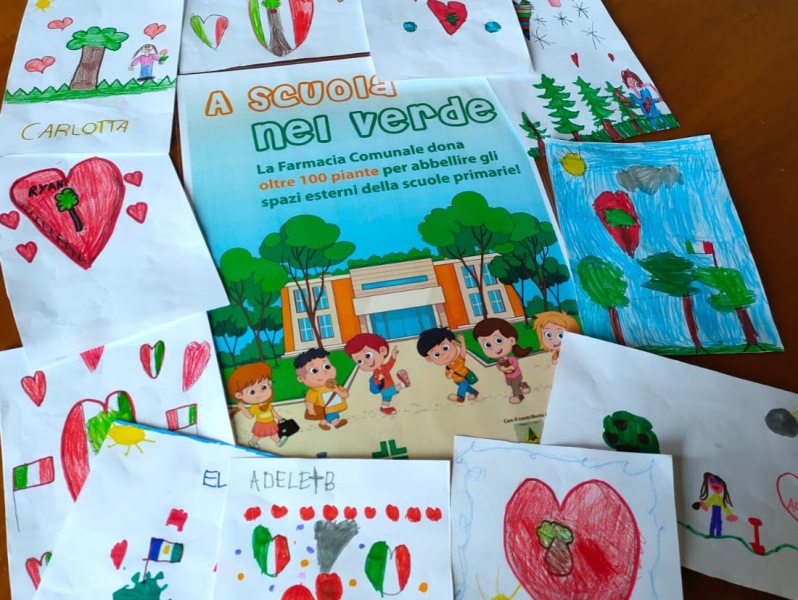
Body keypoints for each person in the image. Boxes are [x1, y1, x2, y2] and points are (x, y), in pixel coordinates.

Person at [344, 333, 410, 415]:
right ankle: (403, 384)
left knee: (387, 398)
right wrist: (379, 379)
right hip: (385, 389)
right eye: (360, 361)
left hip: (389, 386)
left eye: (368, 355)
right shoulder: (376, 372)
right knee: (393, 390)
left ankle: (384, 408)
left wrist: (393, 356)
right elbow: (376, 381)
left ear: (383, 351)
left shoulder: (383, 367)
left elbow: (389, 365)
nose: (366, 362)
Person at [227, 362, 287, 449]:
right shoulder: (254, 407)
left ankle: (278, 441)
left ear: (269, 383)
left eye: (264, 386)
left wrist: (279, 417)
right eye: (252, 392)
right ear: (239, 395)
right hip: (261, 424)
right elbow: (250, 416)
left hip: (270, 422)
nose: (260, 392)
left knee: (273, 433)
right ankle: (253, 441)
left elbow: (273, 412)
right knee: (258, 434)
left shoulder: (267, 404)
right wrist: (243, 408)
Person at [473, 318, 532, 404]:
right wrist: (502, 369)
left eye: (498, 340)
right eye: (487, 345)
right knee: (510, 384)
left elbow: (514, 366)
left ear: (512, 340)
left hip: (516, 375)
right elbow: (499, 367)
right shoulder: (500, 361)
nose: (493, 348)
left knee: (514, 386)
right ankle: (523, 384)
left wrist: (509, 368)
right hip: (508, 377)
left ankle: (519, 396)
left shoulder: (512, 359)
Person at [417, 327, 478, 403]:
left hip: (464, 377)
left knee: (464, 385)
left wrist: (462, 342)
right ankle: (474, 393)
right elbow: (448, 377)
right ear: (429, 359)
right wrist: (451, 373)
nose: (443, 354)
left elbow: (463, 352)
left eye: (445, 348)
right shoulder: (448, 368)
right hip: (456, 380)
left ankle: (460, 397)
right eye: (436, 354)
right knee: (466, 387)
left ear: (453, 343)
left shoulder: (459, 360)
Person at [295, 348, 349, 430]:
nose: (324, 372)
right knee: (332, 416)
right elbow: (309, 402)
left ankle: (322, 423)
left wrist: (338, 391)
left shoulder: (334, 385)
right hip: (326, 409)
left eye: (327, 366)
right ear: (301, 378)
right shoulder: (314, 391)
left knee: (324, 417)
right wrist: (311, 410)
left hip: (333, 407)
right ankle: (336, 423)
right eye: (314, 370)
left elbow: (345, 395)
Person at [693, 472, 738, 537]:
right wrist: (701, 504)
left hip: (718, 509)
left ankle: (717, 534)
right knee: (715, 521)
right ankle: (712, 533)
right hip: (715, 508)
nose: (715, 484)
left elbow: (724, 506)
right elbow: (708, 504)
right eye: (712, 481)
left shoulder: (718, 498)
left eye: (718, 482)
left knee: (717, 521)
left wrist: (729, 514)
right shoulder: (714, 497)